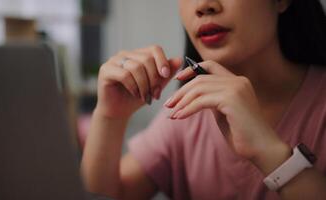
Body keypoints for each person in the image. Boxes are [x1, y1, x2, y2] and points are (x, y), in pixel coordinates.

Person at [81, 0, 326, 199]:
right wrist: (110, 116)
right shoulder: (186, 113)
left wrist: (268, 152)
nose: (203, 5)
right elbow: (109, 194)